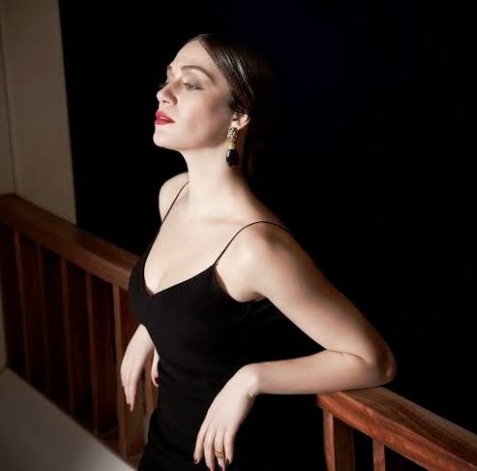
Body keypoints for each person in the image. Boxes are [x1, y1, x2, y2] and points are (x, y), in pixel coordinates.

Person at [119, 31, 397, 471]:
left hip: (229, 461)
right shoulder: (173, 195)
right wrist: (151, 325)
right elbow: (188, 297)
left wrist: (251, 379)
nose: (164, 93)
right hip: (164, 450)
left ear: (239, 114)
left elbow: (373, 360)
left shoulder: (256, 248)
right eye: (167, 78)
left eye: (190, 83)